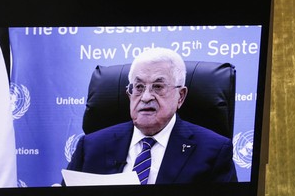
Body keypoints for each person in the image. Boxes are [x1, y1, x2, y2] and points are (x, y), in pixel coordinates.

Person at [66, 47, 237, 183]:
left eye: (158, 87)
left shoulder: (214, 151)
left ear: (181, 96)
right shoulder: (90, 147)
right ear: (129, 94)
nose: (146, 97)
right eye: (139, 87)